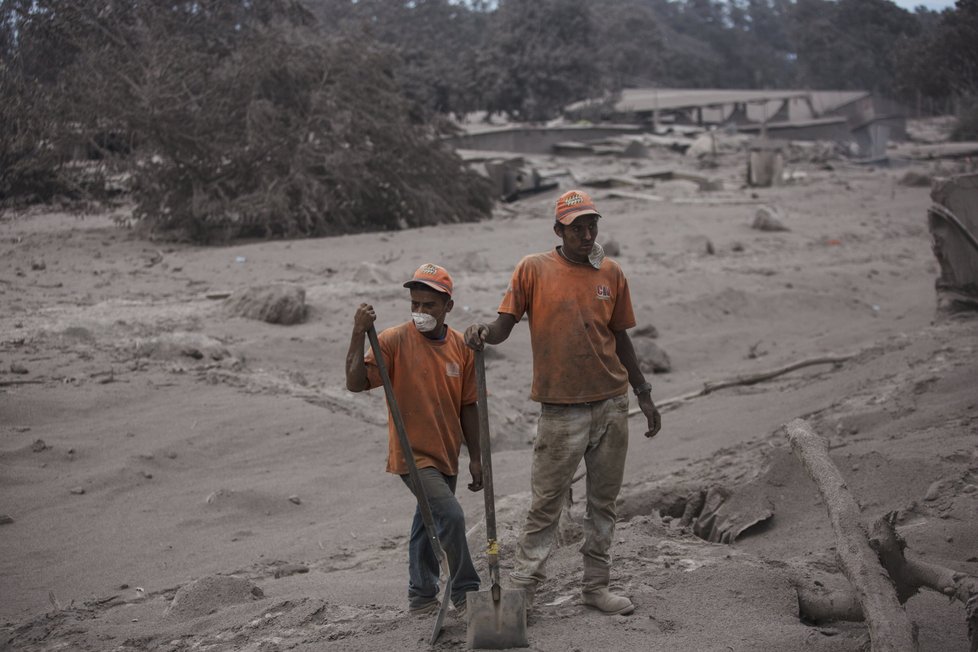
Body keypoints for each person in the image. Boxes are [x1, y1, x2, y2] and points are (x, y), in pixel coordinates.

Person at [464, 189, 662, 616]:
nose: (587, 234)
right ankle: (520, 596)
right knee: (545, 506)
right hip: (559, 410)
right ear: (559, 230)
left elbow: (621, 337)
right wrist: (481, 332)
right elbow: (503, 326)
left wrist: (643, 394)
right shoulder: (533, 270)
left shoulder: (611, 272)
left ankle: (596, 586)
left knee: (603, 504)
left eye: (592, 226)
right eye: (577, 228)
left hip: (611, 403)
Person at [345, 263, 482, 616]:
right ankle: (467, 594)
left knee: (427, 522)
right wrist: (359, 332)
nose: (420, 312)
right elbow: (355, 383)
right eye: (415, 304)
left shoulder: (459, 348)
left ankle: (421, 596)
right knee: (449, 516)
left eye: (429, 306)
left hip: (447, 453)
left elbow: (469, 405)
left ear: (447, 306)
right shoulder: (393, 340)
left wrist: (476, 457)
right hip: (412, 455)